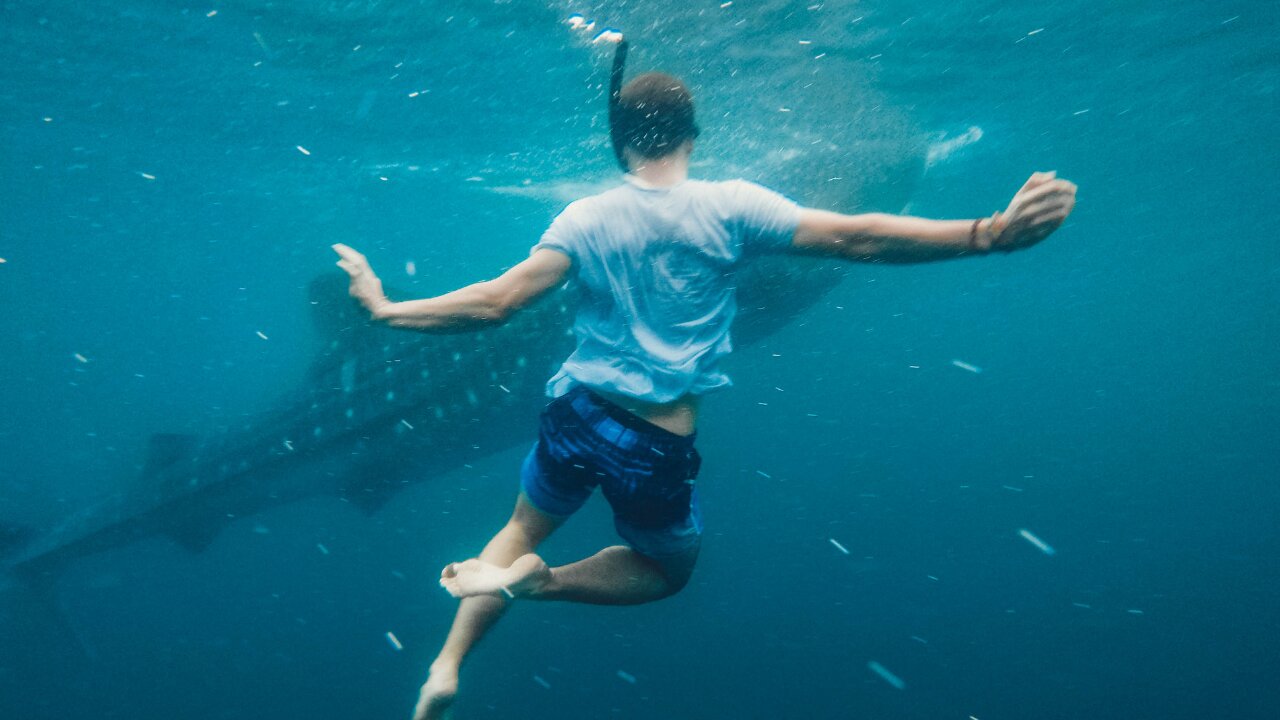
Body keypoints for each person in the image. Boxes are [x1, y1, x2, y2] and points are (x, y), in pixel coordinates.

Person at [334, 68, 1076, 720]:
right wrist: (986, 233)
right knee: (664, 571)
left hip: (575, 409)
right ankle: (539, 589)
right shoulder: (732, 206)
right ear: (693, 137)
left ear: (618, 141)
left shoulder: (583, 217)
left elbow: (494, 303)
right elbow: (862, 236)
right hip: (655, 439)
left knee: (519, 529)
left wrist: (385, 308)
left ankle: (447, 664)